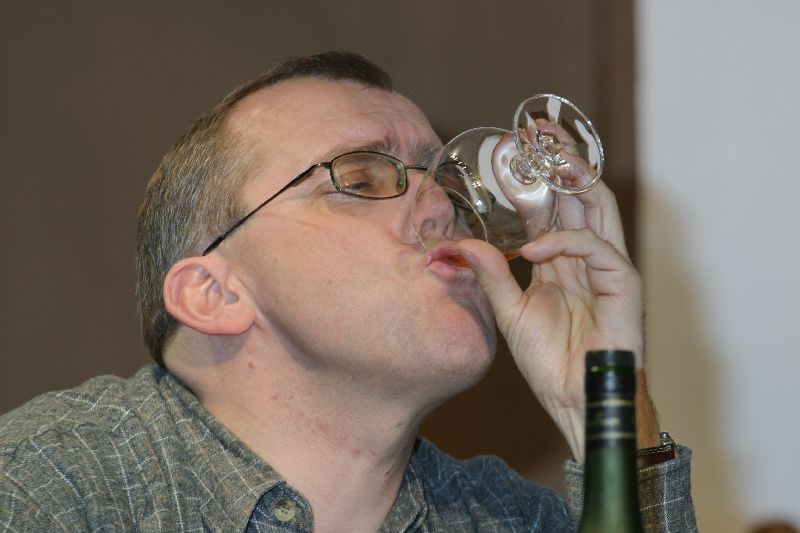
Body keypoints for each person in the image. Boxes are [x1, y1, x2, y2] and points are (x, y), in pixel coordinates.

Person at [0, 51, 696, 532]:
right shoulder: (52, 488)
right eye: (360, 179)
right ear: (214, 293)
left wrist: (600, 401)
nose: (443, 206)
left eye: (448, 185)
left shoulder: (510, 519)